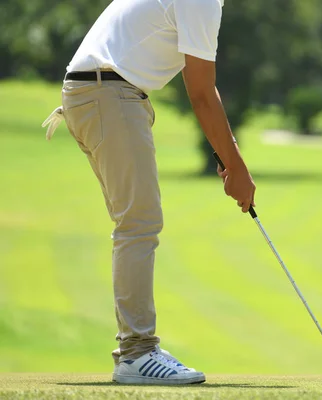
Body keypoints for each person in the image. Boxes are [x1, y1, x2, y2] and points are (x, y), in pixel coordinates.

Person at [41, 0, 255, 385]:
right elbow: (201, 93)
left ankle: (136, 350)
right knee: (139, 222)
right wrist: (236, 168)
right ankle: (136, 353)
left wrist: (230, 156)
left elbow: (205, 88)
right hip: (109, 93)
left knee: (134, 221)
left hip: (96, 92)